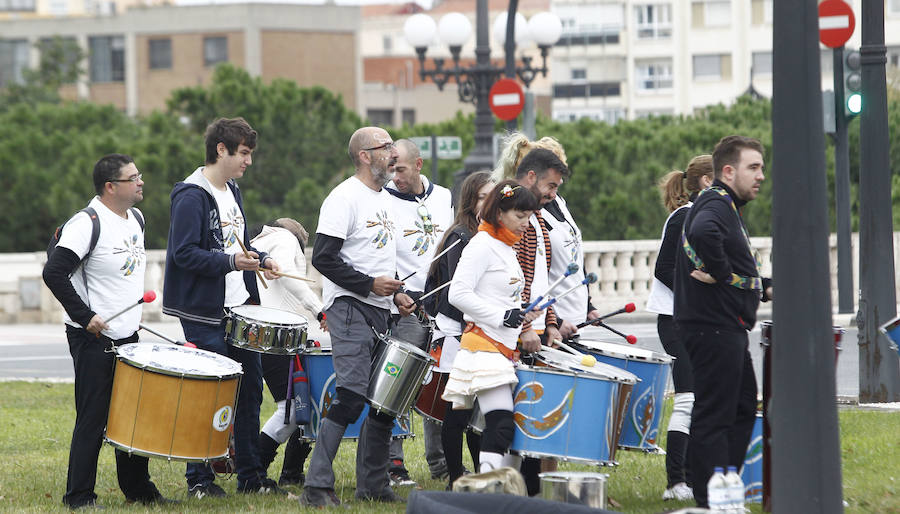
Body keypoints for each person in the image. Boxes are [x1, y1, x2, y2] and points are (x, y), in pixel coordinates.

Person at [43, 154, 174, 508]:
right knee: (94, 417)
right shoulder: (86, 223)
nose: (141, 181)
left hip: (128, 334)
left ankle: (138, 489)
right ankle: (79, 496)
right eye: (133, 178)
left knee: (133, 414)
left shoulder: (137, 218)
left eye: (140, 175)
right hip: (93, 336)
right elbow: (54, 273)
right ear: (110, 187)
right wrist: (85, 316)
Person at [162, 117, 282, 498]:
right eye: (243, 153)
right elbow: (183, 255)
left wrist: (260, 259)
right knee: (208, 395)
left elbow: (238, 244)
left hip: (240, 308)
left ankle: (251, 476)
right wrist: (232, 262)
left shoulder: (232, 191)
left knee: (249, 393)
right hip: (203, 312)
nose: (248, 161)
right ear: (221, 150)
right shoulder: (191, 194)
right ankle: (199, 480)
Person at [300, 126, 412, 507]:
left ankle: (374, 487)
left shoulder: (384, 198)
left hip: (380, 310)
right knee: (349, 398)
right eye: (386, 147)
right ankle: (316, 488)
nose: (394, 153)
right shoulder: (343, 198)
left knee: (382, 400)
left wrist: (396, 295)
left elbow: (378, 257)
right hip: (349, 309)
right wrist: (368, 286)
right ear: (365, 155)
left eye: (393, 146)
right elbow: (323, 258)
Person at [673, 136, 773, 508]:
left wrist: (759, 286)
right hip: (712, 325)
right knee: (716, 412)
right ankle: (711, 497)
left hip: (723, 325)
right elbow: (703, 234)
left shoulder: (723, 204)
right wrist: (721, 270)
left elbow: (722, 251)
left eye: (761, 167)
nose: (761, 175)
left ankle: (725, 483)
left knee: (744, 405)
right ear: (727, 171)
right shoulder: (715, 204)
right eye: (753, 167)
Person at [442, 179, 544, 474]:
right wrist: (502, 317)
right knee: (500, 425)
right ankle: (488, 488)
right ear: (500, 213)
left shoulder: (504, 247)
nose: (527, 224)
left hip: (500, 348)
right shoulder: (481, 245)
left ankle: (497, 487)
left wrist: (520, 315)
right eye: (520, 216)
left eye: (529, 217)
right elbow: (457, 294)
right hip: (483, 347)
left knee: (501, 427)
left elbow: (499, 298)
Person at [384, 138, 454, 486]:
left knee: (439, 383)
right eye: (390, 168)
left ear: (419, 165)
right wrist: (398, 292)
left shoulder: (443, 197)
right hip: (403, 307)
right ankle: (394, 464)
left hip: (440, 306)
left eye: (400, 169)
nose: (394, 176)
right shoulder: (381, 200)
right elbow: (377, 255)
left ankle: (440, 462)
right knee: (399, 382)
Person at [645, 155, 714, 501]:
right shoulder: (684, 217)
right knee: (687, 399)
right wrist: (698, 293)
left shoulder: (698, 215)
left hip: (689, 319)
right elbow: (664, 268)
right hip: (676, 321)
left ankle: (691, 477)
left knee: (697, 398)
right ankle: (676, 483)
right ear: (705, 182)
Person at [423, 170, 494, 488]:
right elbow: (459, 292)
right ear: (470, 201)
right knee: (460, 409)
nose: (489, 202)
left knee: (479, 412)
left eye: (493, 197)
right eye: (483, 197)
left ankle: (480, 474)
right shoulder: (460, 236)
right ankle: (455, 477)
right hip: (457, 332)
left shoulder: (489, 234)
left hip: (480, 331)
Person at [494, 133, 599, 332]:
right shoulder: (512, 217)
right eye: (551, 185)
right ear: (532, 175)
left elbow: (542, 280)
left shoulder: (539, 213)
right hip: (518, 331)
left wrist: (551, 322)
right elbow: (513, 281)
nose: (553, 194)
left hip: (545, 325)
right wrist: (528, 329)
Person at [251, 217, 325, 487]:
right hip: (279, 334)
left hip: (267, 334)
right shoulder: (284, 238)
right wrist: (319, 309)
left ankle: (290, 473)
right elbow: (286, 275)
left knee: (303, 403)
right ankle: (256, 469)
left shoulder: (258, 244)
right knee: (296, 407)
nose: (302, 231)